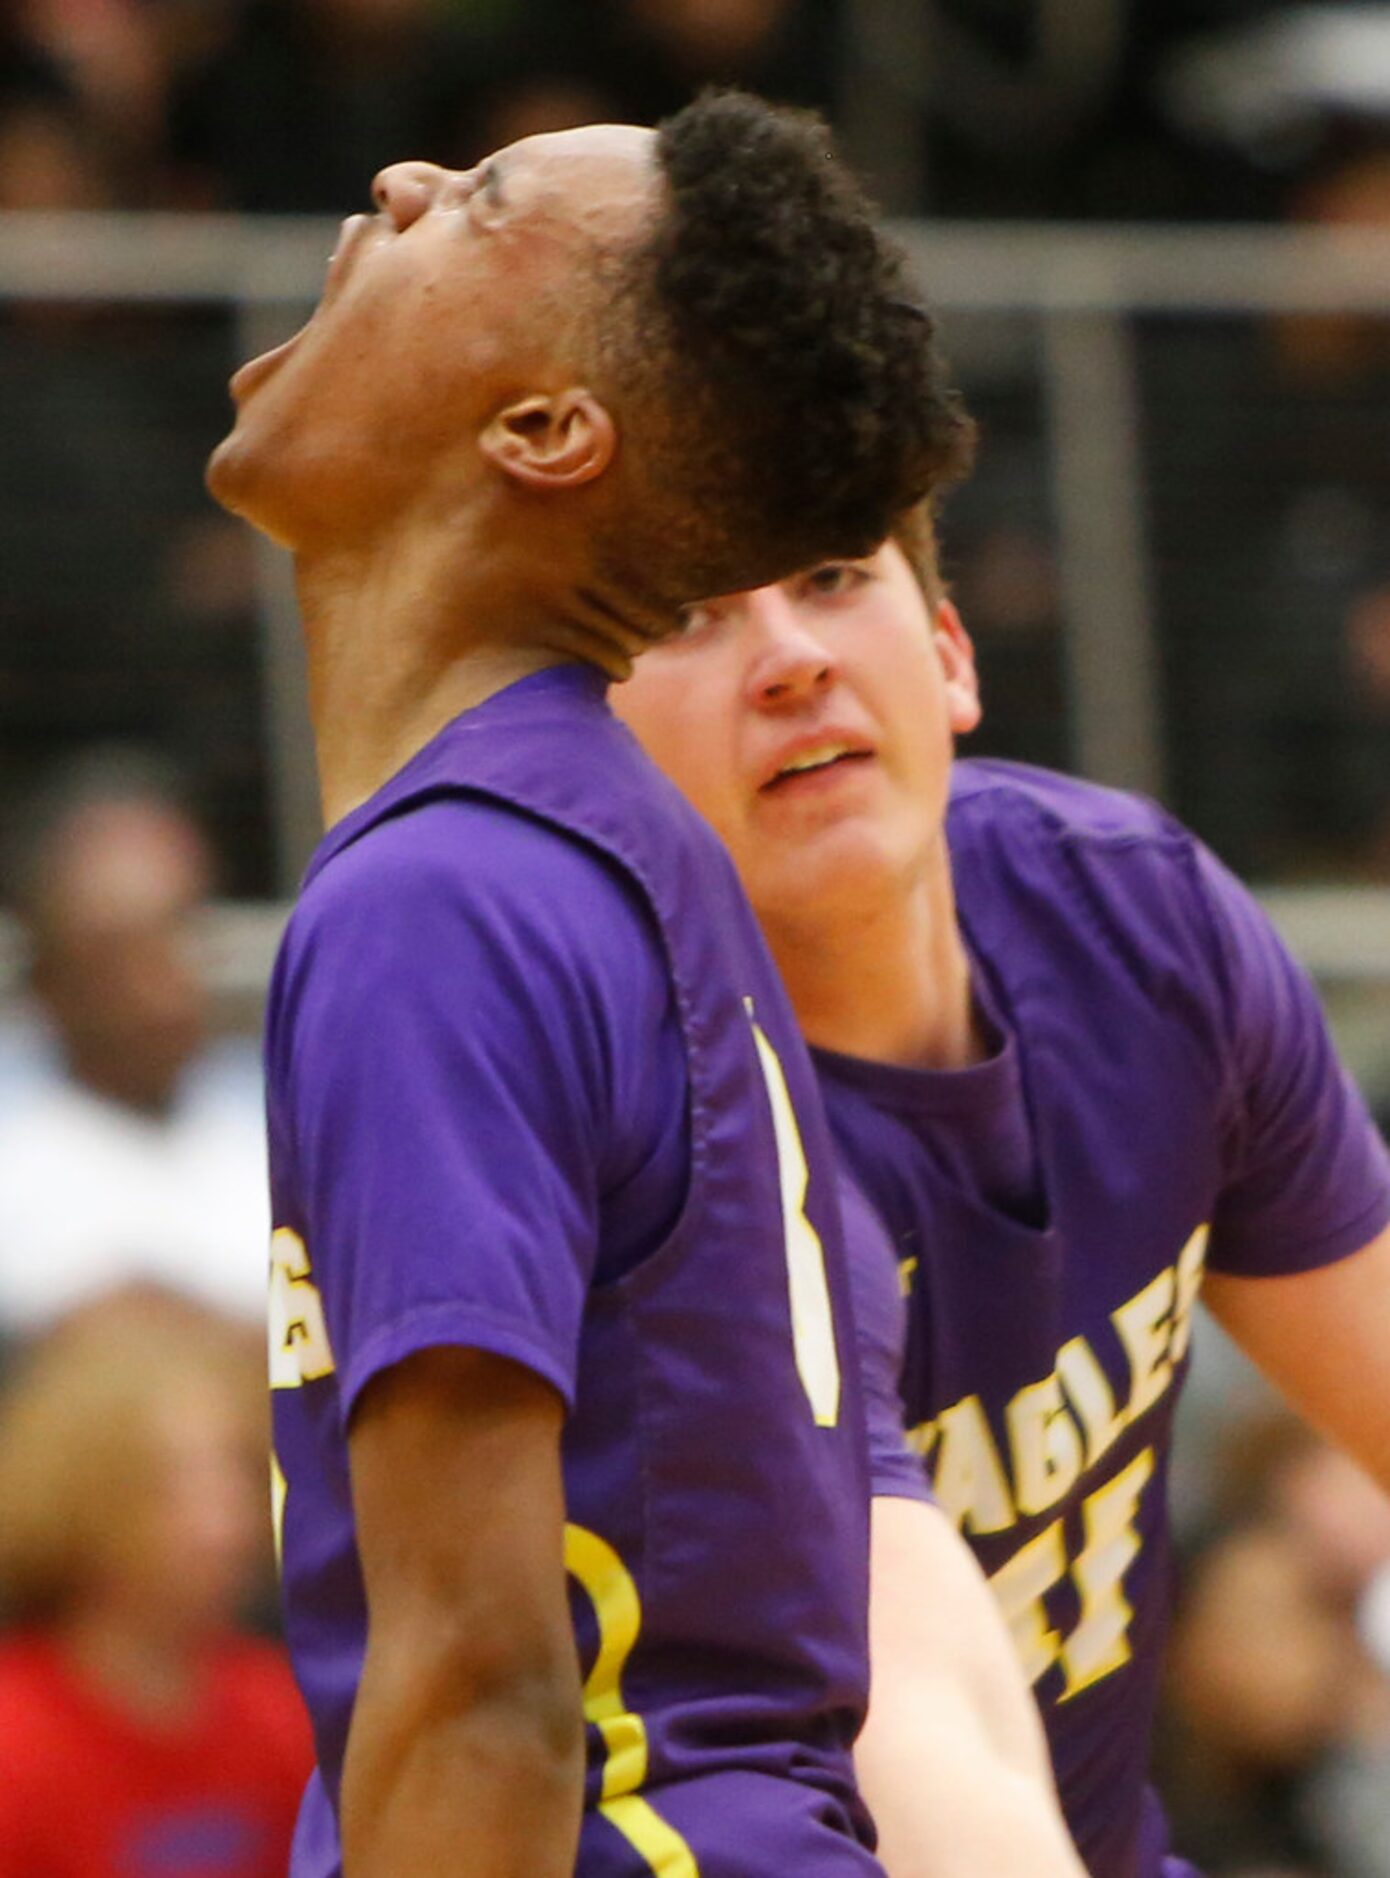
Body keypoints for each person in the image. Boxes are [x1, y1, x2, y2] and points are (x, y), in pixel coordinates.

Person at [207, 89, 1049, 1878]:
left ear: (541, 427)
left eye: (482, 198)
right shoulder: (624, 875)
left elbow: (486, 1689)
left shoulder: (452, 900)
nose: (400, 177)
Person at [613, 511, 1390, 1878]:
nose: (789, 657)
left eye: (834, 576)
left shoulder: (1134, 917)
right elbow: (912, 1717)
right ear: (599, 760)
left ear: (950, 654)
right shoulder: (656, 1113)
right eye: (690, 611)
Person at [0, 1297, 313, 1876]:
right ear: (81, 1495)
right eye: (175, 1487)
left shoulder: (281, 1713)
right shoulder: (16, 1738)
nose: (226, 1523)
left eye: (236, 1474)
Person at [0, 751, 268, 1341]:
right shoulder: (16, 1143)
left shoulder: (273, 1122)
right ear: (48, 974)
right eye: (117, 956)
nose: (161, 989)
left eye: (180, 933)